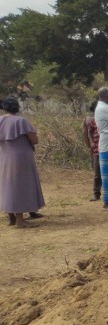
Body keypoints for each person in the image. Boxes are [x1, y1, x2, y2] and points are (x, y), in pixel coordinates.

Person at [0, 96, 45, 228]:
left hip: (4, 156)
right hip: (21, 158)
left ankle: (11, 217)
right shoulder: (21, 121)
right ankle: (20, 220)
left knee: (7, 185)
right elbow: (34, 140)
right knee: (20, 185)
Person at [82, 101, 101, 201]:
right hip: (99, 148)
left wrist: (89, 146)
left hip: (96, 148)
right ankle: (96, 193)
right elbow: (85, 133)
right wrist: (90, 146)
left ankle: (96, 193)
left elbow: (85, 134)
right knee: (98, 172)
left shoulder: (88, 119)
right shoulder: (90, 119)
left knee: (97, 172)